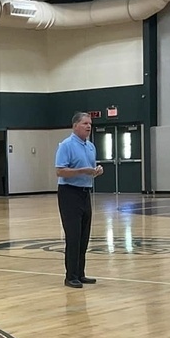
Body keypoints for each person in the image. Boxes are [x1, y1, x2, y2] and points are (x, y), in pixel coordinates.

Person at [54, 112, 103, 288]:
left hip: (85, 193)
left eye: (90, 123)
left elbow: (88, 169)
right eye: (85, 123)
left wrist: (95, 171)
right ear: (75, 126)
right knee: (73, 236)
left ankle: (80, 273)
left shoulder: (90, 146)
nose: (89, 126)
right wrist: (82, 171)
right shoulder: (66, 145)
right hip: (69, 194)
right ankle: (70, 276)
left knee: (84, 236)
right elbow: (60, 171)